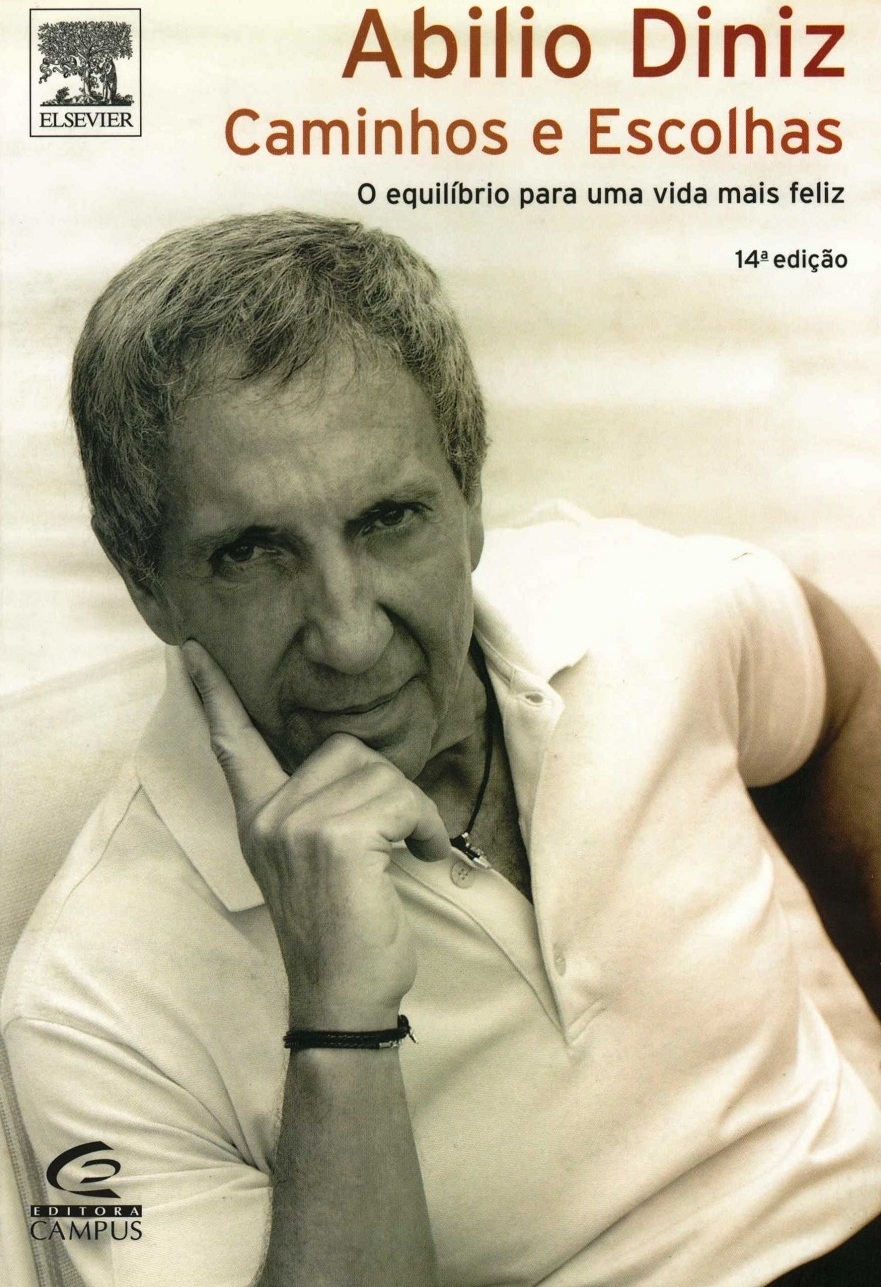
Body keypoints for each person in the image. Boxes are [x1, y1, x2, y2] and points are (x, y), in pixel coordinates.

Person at [3, 210, 881, 1287]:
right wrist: (337, 1018)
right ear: (146, 582)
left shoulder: (646, 609)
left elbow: (835, 693)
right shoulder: (88, 1008)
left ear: (468, 502)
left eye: (388, 519)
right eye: (254, 551)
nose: (347, 633)